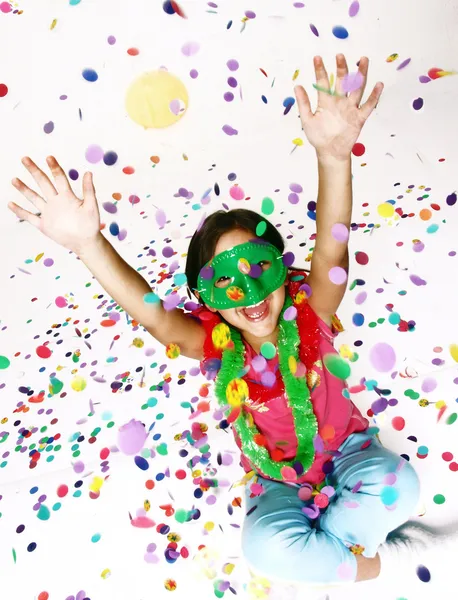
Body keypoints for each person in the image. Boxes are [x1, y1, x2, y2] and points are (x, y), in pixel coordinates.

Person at [8, 55, 455, 588]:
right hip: (278, 482)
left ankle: (333, 557)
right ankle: (377, 562)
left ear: (282, 273)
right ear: (207, 300)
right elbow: (155, 318)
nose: (248, 292)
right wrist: (88, 243)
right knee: (263, 551)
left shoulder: (313, 312)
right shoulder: (211, 344)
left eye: (259, 268)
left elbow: (333, 251)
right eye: (227, 283)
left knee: (400, 485)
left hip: (348, 455)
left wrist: (334, 157)